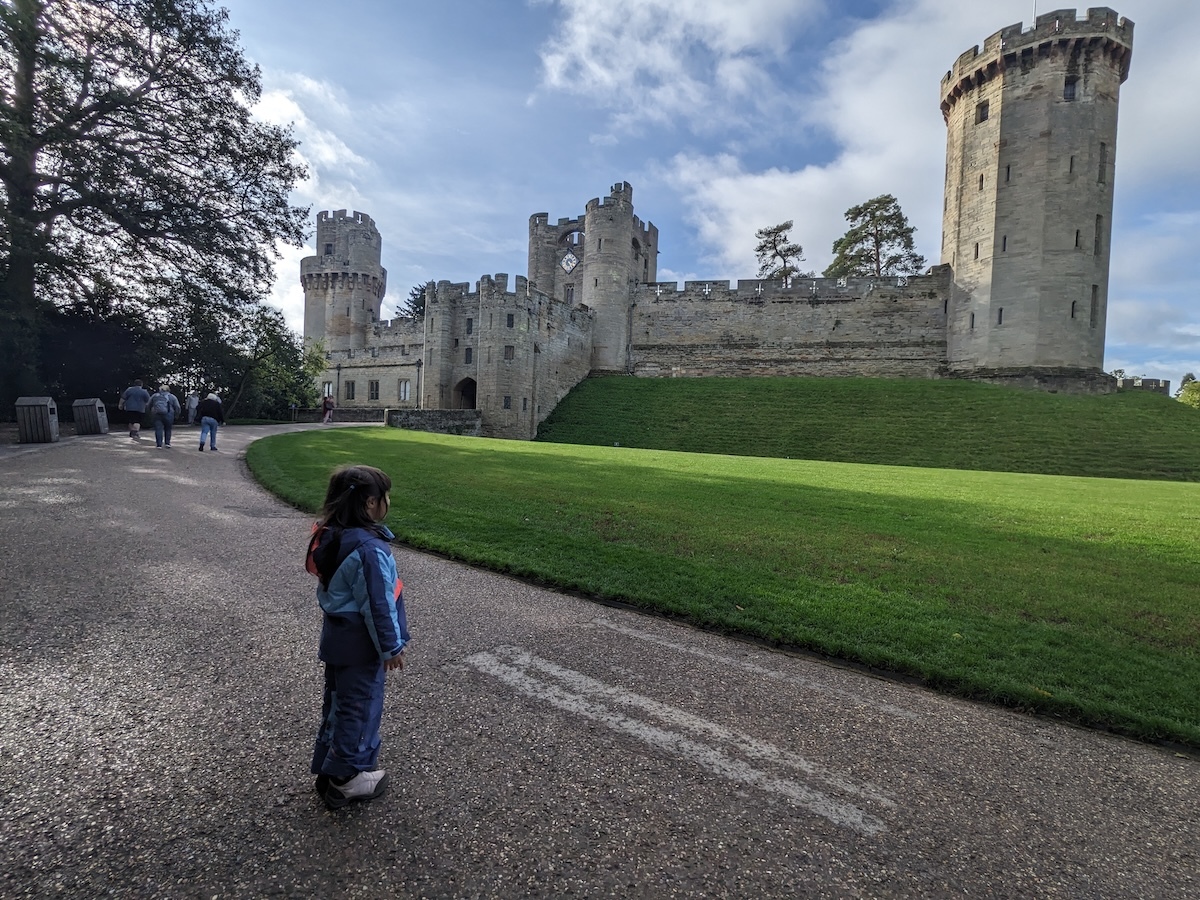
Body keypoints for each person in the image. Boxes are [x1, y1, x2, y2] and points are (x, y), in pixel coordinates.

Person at [305, 465, 409, 810]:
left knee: (338, 705)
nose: (387, 503)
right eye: (384, 498)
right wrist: (391, 647)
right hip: (362, 646)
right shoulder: (368, 549)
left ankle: (330, 766)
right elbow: (378, 604)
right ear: (369, 504)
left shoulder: (333, 535)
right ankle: (347, 779)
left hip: (338, 640)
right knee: (360, 709)